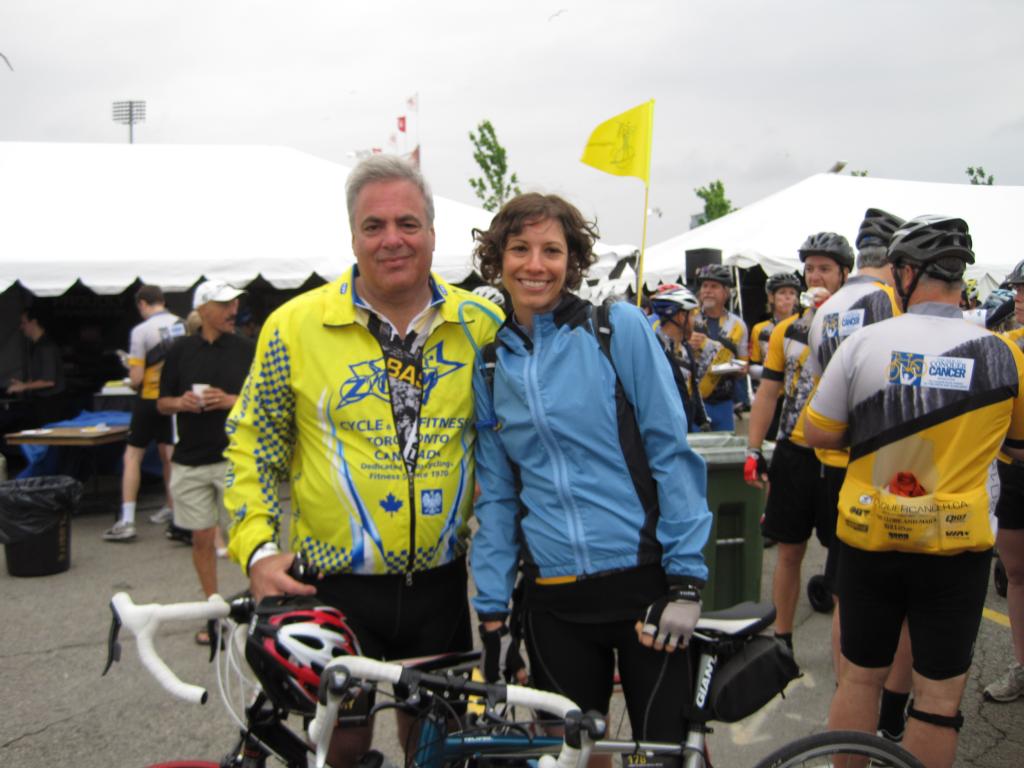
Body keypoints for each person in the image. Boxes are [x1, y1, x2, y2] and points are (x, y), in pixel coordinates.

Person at [223, 155, 503, 768]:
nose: (392, 239)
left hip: (440, 584)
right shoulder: (293, 325)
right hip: (333, 584)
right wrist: (259, 549)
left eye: (408, 223)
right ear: (353, 236)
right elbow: (253, 445)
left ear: (432, 232)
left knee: (434, 746)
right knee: (340, 747)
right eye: (373, 226)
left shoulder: (481, 324)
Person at [470, 193, 712, 757]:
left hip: (645, 589)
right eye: (520, 249)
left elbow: (671, 453)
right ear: (498, 260)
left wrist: (686, 578)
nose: (535, 264)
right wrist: (492, 612)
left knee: (661, 755)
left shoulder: (616, 328)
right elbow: (499, 498)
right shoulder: (489, 361)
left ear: (572, 260)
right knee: (574, 758)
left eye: (551, 250)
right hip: (554, 604)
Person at [804, 215, 1024, 768]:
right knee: (937, 702)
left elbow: (818, 432)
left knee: (859, 680)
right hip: (955, 544)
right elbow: (1018, 445)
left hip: (869, 536)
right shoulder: (1003, 352)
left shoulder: (864, 344)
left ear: (904, 273)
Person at [805, 209, 913, 740]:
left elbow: (819, 391)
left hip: (833, 465)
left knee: (846, 587)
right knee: (899, 601)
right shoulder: (890, 303)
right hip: (881, 468)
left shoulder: (827, 308)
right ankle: (883, 715)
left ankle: (848, 694)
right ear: (898, 263)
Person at [743, 232, 852, 654]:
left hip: (842, 458)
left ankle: (846, 657)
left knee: (844, 565)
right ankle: (782, 640)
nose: (815, 276)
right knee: (789, 550)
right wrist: (754, 449)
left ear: (845, 274)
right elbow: (768, 394)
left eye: (825, 268)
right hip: (794, 451)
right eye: (810, 268)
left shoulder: (859, 327)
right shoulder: (787, 330)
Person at [158, 279, 254, 642]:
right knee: (201, 538)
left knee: (249, 538)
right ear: (203, 310)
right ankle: (214, 612)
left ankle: (257, 608)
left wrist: (230, 400)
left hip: (236, 456)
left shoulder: (245, 348)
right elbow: (161, 402)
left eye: (234, 304)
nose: (233, 311)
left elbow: (264, 397)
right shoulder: (180, 350)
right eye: (225, 305)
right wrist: (179, 403)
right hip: (191, 460)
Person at [103, 285, 186, 542]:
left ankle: (127, 519)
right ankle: (175, 511)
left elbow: (137, 377)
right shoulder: (182, 324)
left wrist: (130, 372)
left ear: (142, 304)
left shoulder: (141, 331)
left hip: (148, 399)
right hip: (172, 399)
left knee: (132, 456)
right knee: (169, 456)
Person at [984, 258, 1024, 703]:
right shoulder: (1008, 345)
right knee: (1016, 573)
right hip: (1014, 474)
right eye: (1017, 288)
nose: (1018, 296)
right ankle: (1022, 665)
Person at [689, 264, 748, 431]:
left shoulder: (738, 325)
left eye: (714, 286)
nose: (707, 291)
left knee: (724, 453)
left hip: (723, 402)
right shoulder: (689, 317)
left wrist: (725, 365)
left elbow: (744, 367)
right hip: (694, 399)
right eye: (704, 286)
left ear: (726, 292)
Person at [748, 272, 802, 441]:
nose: (788, 298)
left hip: (797, 398)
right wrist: (773, 371)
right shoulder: (760, 329)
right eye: (782, 293)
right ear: (771, 297)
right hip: (771, 397)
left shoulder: (804, 327)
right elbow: (752, 366)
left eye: (792, 293)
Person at [649, 283, 708, 431]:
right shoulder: (654, 349)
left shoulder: (685, 348)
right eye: (692, 314)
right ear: (681, 316)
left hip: (685, 429)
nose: (695, 320)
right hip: (663, 431)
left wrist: (703, 421)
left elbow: (693, 389)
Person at [6, 307, 67, 426]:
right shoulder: (38, 346)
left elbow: (49, 381)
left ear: (34, 322)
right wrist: (27, 384)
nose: (21, 327)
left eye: (24, 323)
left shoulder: (46, 347)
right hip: (44, 404)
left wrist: (24, 386)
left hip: (52, 405)